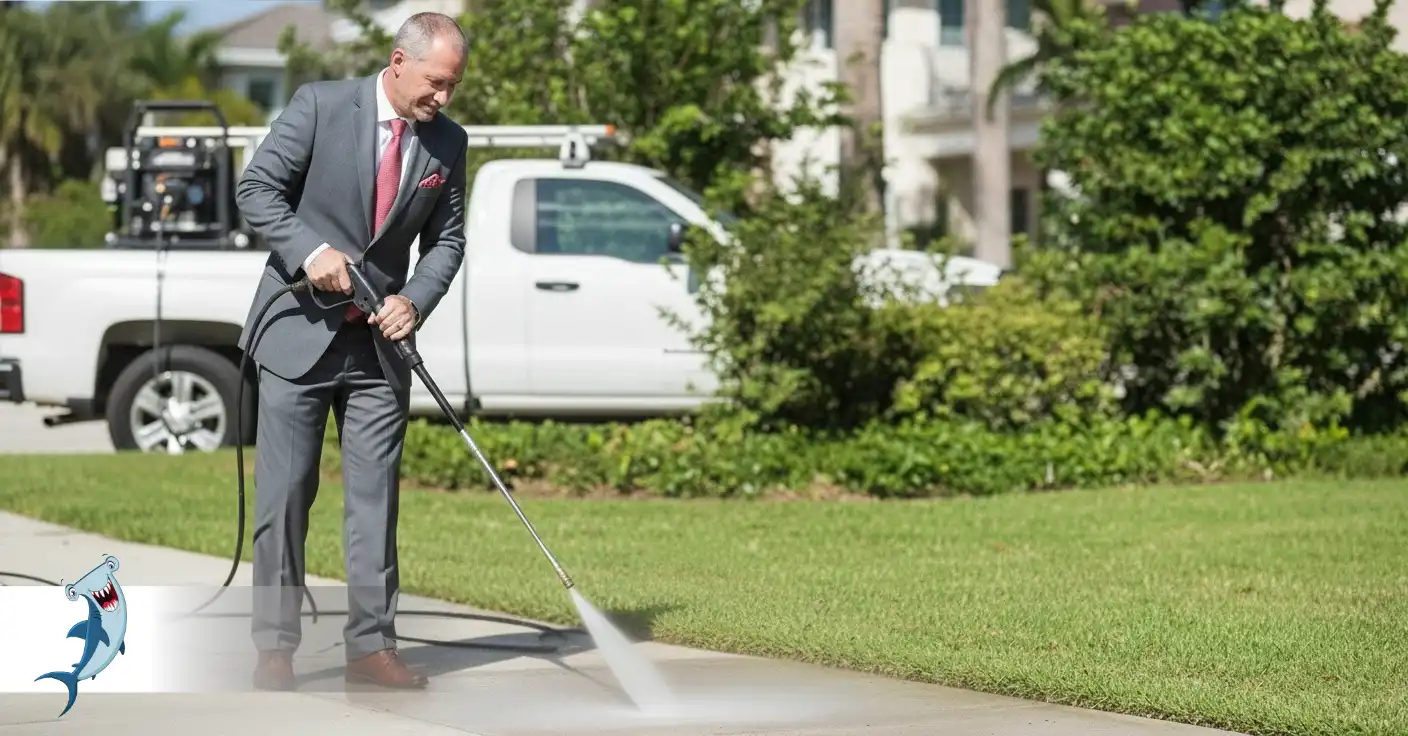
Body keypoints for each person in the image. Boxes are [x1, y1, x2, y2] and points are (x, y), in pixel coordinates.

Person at [233, 12, 469, 692]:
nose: (443, 99)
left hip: (380, 348)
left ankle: (370, 646)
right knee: (284, 495)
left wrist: (413, 300)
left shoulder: (448, 142)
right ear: (398, 62)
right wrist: (310, 251)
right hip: (296, 335)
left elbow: (446, 243)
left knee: (374, 501)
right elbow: (257, 190)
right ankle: (275, 647)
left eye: (452, 86)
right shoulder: (319, 105)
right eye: (434, 83)